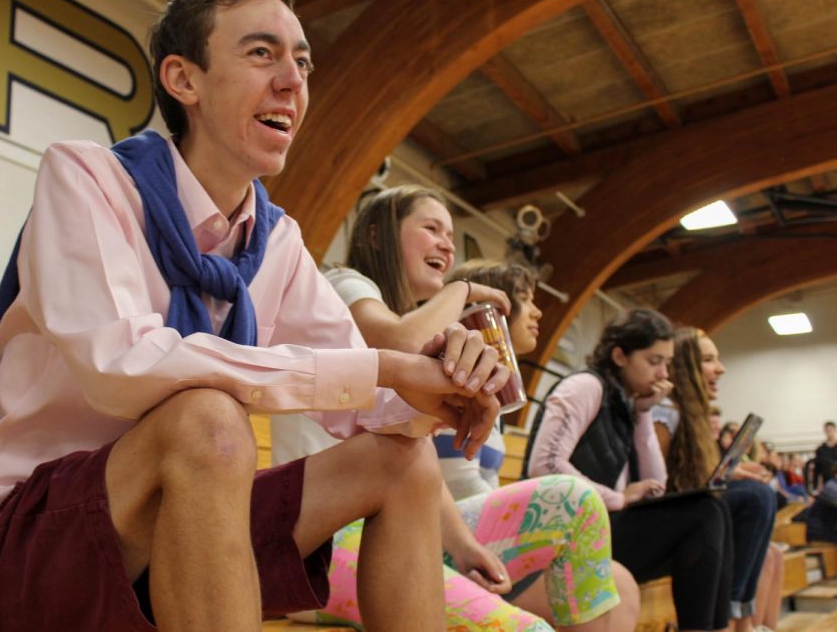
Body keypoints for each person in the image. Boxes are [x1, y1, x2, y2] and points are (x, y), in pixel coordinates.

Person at [0, 0, 510, 630]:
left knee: (404, 464)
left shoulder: (278, 241)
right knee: (207, 418)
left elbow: (381, 409)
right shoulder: (89, 177)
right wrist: (386, 365)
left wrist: (454, 386)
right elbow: (125, 369)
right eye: (261, 53)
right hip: (26, 550)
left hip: (184, 535)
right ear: (185, 80)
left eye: (302, 61)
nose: (293, 80)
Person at [272, 185, 639, 631]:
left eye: (450, 232)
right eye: (431, 228)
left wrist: (465, 547)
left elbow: (413, 461)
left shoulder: (421, 331)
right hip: (330, 543)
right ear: (376, 235)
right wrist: (460, 290)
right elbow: (398, 340)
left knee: (578, 502)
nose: (447, 243)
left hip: (398, 525)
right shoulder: (344, 285)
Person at [527, 308, 733, 632]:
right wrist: (618, 498)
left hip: (598, 527)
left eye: (666, 363)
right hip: (562, 537)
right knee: (704, 512)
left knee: (714, 508)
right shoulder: (584, 386)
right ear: (620, 355)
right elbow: (544, 467)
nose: (664, 374)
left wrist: (644, 414)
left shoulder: (626, 403)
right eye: (654, 362)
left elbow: (658, 484)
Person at [653, 327, 778, 632]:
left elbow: (692, 476)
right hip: (665, 522)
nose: (720, 369)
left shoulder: (692, 414)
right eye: (709, 360)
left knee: (760, 496)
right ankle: (733, 622)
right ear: (685, 367)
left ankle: (745, 621)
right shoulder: (663, 412)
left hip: (694, 515)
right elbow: (658, 483)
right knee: (752, 497)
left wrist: (729, 473)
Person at [813, 421, 837, 489]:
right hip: (827, 482)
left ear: (835, 430)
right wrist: (816, 487)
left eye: (831, 430)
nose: (829, 432)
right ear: (825, 431)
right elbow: (817, 469)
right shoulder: (820, 450)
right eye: (827, 430)